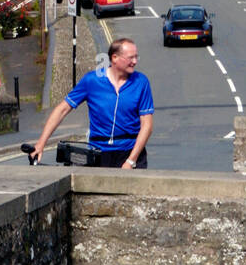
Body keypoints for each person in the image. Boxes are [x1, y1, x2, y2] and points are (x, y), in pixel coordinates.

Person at [28, 38, 153, 168]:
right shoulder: (92, 81)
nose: (135, 61)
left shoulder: (141, 82)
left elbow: (147, 125)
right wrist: (41, 144)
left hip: (130, 151)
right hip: (99, 153)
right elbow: (62, 110)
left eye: (136, 57)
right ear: (114, 58)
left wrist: (131, 161)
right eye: (130, 58)